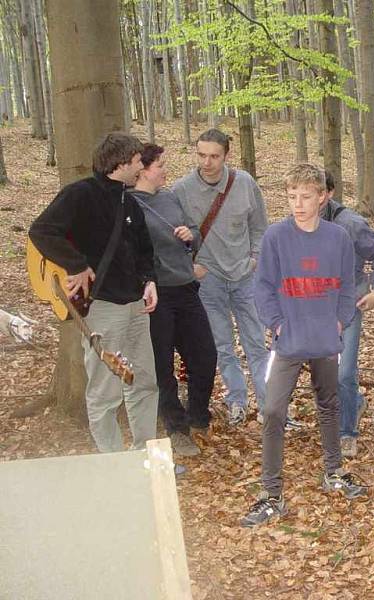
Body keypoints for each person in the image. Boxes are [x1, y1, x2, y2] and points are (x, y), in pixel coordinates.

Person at [241, 163, 366, 528]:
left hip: (326, 337)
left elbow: (346, 284)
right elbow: (263, 285)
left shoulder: (337, 237)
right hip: (289, 339)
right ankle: (271, 492)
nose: (298, 204)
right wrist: (277, 324)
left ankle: (334, 471)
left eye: (306, 196)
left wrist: (340, 320)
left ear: (323, 197)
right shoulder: (276, 237)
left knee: (329, 404)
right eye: (292, 196)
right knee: (274, 410)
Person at [29, 132, 159, 452]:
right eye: (137, 161)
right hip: (103, 308)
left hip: (136, 306)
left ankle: (142, 455)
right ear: (119, 164)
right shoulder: (79, 195)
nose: (142, 166)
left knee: (144, 383)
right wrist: (75, 264)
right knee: (105, 392)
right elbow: (41, 231)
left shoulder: (130, 200)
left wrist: (149, 281)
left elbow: (143, 249)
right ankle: (111, 463)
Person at [172, 129, 268, 426]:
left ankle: (269, 406)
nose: (207, 162)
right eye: (201, 155)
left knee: (256, 344)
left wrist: (254, 258)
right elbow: (171, 236)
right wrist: (191, 265)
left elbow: (259, 226)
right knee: (223, 345)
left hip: (244, 277)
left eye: (214, 156)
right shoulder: (182, 190)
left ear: (226, 156)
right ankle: (236, 400)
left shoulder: (244, 183)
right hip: (208, 279)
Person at [130, 143, 217, 457]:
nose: (166, 170)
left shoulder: (169, 197)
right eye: (160, 165)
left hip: (186, 289)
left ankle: (197, 415)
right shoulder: (129, 205)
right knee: (161, 366)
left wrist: (189, 235)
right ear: (143, 170)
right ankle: (176, 428)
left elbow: (195, 231)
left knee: (205, 356)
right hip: (156, 296)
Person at [321, 170, 374, 458]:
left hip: (349, 303)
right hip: (314, 309)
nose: (305, 202)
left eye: (315, 193)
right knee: (322, 372)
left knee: (344, 372)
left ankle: (347, 433)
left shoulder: (350, 224)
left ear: (328, 193)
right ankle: (353, 402)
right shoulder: (297, 225)